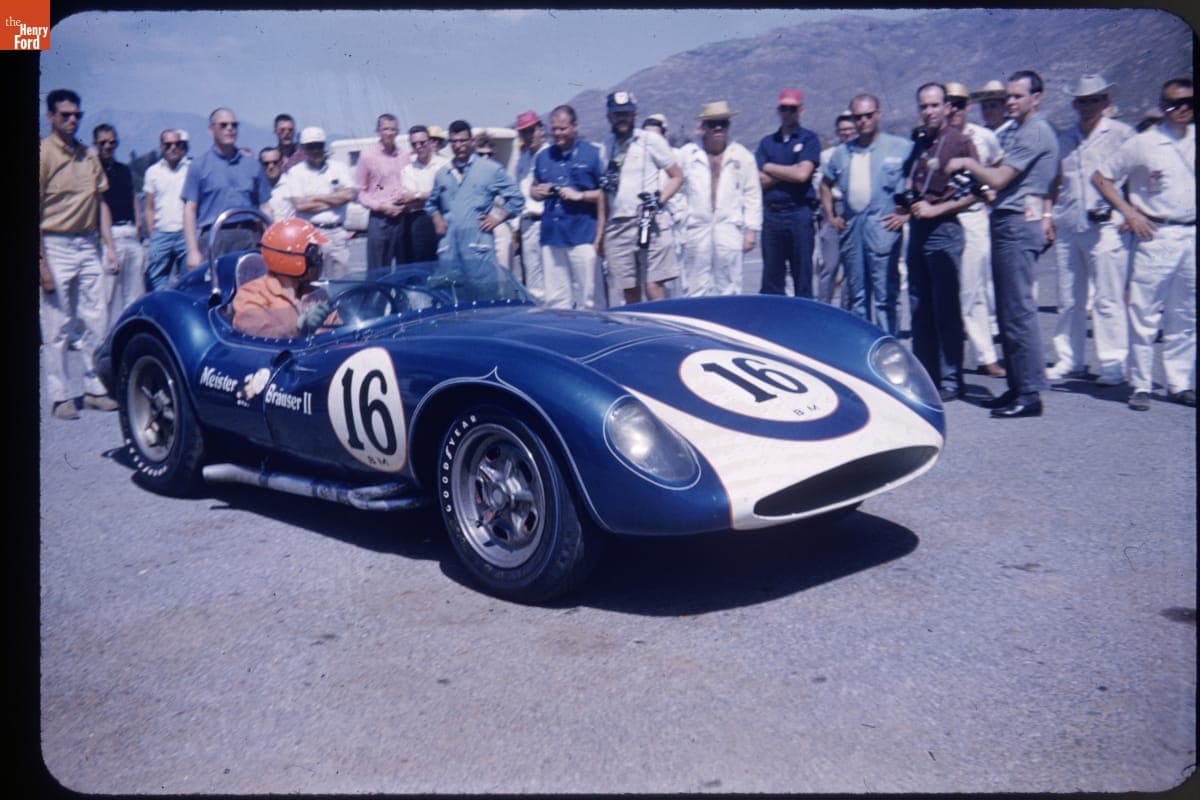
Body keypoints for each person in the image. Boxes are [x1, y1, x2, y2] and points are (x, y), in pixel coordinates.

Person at [946, 70, 1059, 419]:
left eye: (1017, 96)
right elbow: (1000, 185)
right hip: (1007, 217)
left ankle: (1029, 392)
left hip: (1017, 225)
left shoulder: (1035, 131)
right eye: (1008, 96)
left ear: (1036, 98)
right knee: (1009, 312)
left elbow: (999, 176)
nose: (1011, 102)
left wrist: (967, 163)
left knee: (1018, 312)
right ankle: (1017, 385)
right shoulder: (1019, 131)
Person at [1092, 77, 1195, 410]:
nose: (1180, 109)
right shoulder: (1144, 143)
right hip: (1157, 233)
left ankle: (1180, 382)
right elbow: (1101, 177)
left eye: (1188, 102)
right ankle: (1140, 384)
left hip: (1191, 234)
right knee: (1144, 312)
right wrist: (1129, 212)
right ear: (1162, 104)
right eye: (1172, 103)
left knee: (1185, 314)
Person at [1046, 74, 1136, 386]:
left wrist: (1130, 211)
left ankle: (1113, 363)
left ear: (1106, 102)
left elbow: (1136, 176)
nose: (1088, 106)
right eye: (1083, 101)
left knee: (1108, 298)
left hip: (1108, 226)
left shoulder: (1123, 135)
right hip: (1069, 224)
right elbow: (1057, 181)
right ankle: (1070, 359)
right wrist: (1050, 215)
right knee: (1070, 298)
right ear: (1074, 104)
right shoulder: (1066, 139)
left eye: (1094, 99)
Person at [39, 88, 120, 419]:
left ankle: (94, 388)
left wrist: (110, 248)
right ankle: (60, 397)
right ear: (51, 117)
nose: (72, 120)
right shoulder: (42, 155)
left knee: (96, 318)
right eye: (65, 115)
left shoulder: (88, 156)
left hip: (88, 244)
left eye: (77, 115)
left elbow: (100, 203)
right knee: (57, 324)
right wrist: (41, 264)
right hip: (54, 243)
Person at [897, 83, 980, 401]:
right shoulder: (920, 143)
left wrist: (937, 208)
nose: (929, 112)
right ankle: (926, 374)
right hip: (919, 229)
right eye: (923, 106)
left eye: (934, 105)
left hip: (944, 229)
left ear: (947, 107)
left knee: (945, 307)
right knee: (919, 305)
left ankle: (951, 379)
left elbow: (976, 192)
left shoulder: (959, 142)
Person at [819, 94, 911, 334]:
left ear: (878, 115)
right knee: (857, 295)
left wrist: (907, 213)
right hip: (852, 229)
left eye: (868, 115)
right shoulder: (842, 153)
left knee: (885, 295)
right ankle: (863, 349)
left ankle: (890, 348)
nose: (863, 121)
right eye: (858, 117)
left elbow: (918, 179)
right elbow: (825, 184)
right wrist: (831, 216)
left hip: (883, 227)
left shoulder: (900, 147)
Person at [945, 81, 1006, 378]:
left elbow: (999, 167)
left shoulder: (984, 137)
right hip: (942, 219)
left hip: (973, 216)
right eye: (948, 103)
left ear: (968, 106)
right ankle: (950, 359)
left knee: (974, 288)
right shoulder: (936, 138)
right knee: (950, 290)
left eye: (959, 103)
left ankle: (985, 355)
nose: (953, 109)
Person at [599, 90, 683, 304]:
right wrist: (600, 235)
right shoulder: (605, 149)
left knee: (653, 286)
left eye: (626, 114)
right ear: (610, 117)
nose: (622, 119)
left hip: (648, 223)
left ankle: (664, 333)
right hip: (617, 228)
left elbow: (677, 176)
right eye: (617, 115)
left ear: (634, 115)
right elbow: (603, 195)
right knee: (629, 292)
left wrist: (659, 201)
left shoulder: (650, 141)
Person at [676, 100, 761, 296]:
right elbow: (676, 189)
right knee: (694, 285)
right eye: (712, 123)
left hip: (729, 227)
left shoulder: (742, 156)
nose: (718, 128)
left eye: (723, 123)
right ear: (703, 126)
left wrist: (751, 230)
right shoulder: (687, 155)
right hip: (695, 227)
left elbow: (752, 194)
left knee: (729, 284)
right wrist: (682, 217)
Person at [426, 119, 524, 282]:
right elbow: (431, 203)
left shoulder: (489, 170)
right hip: (449, 250)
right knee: (454, 298)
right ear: (450, 143)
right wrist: (436, 217)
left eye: (463, 140)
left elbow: (517, 198)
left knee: (485, 294)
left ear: (471, 142)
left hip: (478, 248)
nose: (459, 145)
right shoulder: (442, 174)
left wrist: (497, 217)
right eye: (454, 141)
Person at [531, 105, 606, 309]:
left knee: (590, 298)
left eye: (562, 129)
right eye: (554, 129)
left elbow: (604, 194)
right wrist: (537, 192)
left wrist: (580, 195)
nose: (557, 134)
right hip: (552, 237)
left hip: (583, 236)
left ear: (575, 126)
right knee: (556, 300)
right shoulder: (543, 157)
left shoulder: (592, 154)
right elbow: (534, 188)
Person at [182, 107, 273, 270]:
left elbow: (265, 206)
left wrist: (272, 240)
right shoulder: (199, 166)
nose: (230, 129)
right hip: (214, 237)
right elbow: (190, 209)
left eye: (234, 125)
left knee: (251, 290)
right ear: (211, 130)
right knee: (216, 291)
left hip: (248, 236)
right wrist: (192, 250)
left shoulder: (252, 165)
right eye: (223, 125)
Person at [756, 87, 822, 297]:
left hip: (799, 212)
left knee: (802, 274)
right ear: (778, 110)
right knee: (772, 278)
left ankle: (804, 325)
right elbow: (759, 180)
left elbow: (802, 175)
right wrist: (790, 170)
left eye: (792, 109)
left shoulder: (809, 139)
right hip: (772, 214)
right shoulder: (767, 142)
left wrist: (770, 167)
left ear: (800, 110)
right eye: (784, 108)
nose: (787, 113)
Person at [272, 127, 356, 279]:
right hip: (312, 234)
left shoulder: (339, 168)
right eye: (311, 146)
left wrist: (315, 198)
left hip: (337, 233)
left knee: (341, 281)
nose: (316, 150)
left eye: (319, 145)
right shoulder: (296, 173)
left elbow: (349, 195)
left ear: (324, 145)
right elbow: (300, 205)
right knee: (312, 281)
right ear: (303, 148)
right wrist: (335, 198)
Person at [231, 218, 333, 339]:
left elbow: (337, 332)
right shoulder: (251, 294)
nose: (318, 260)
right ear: (289, 258)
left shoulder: (315, 293)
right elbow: (257, 336)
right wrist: (299, 327)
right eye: (313, 255)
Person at [93, 123, 146, 326]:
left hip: (131, 233)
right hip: (110, 235)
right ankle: (107, 338)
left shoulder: (123, 170)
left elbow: (133, 197)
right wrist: (110, 248)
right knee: (109, 294)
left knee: (134, 292)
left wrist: (138, 225)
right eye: (103, 142)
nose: (108, 146)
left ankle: (129, 331)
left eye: (112, 142)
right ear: (95, 143)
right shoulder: (93, 170)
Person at [356, 114, 412, 268]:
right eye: (385, 129)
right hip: (380, 218)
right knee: (378, 269)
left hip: (402, 217)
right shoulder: (367, 156)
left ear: (398, 131)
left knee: (405, 268)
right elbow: (360, 192)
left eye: (393, 129)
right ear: (378, 130)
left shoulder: (405, 155)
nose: (389, 133)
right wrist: (381, 207)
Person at [813, 110, 857, 306]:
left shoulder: (863, 154)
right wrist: (829, 215)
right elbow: (821, 187)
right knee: (829, 266)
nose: (846, 133)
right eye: (842, 130)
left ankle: (847, 309)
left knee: (851, 267)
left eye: (850, 129)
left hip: (855, 211)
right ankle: (824, 306)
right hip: (834, 209)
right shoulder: (828, 156)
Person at [142, 128, 191, 291]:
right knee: (157, 281)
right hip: (161, 234)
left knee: (188, 281)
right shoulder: (152, 172)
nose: (173, 148)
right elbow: (149, 207)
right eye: (168, 144)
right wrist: (152, 234)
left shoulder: (191, 169)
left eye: (177, 144)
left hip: (185, 234)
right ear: (161, 147)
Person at [511, 111, 549, 300]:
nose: (528, 135)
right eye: (524, 132)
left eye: (531, 130)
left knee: (555, 277)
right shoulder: (522, 159)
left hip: (548, 222)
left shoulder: (550, 154)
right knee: (534, 282)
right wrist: (516, 228)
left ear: (540, 129)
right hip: (527, 224)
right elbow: (519, 194)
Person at [398, 125, 449, 263]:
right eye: (414, 144)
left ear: (431, 142)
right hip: (420, 221)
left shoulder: (445, 165)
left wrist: (417, 195)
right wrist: (432, 194)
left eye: (422, 142)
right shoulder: (408, 170)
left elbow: (448, 191)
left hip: (445, 217)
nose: (419, 147)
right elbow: (408, 200)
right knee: (423, 264)